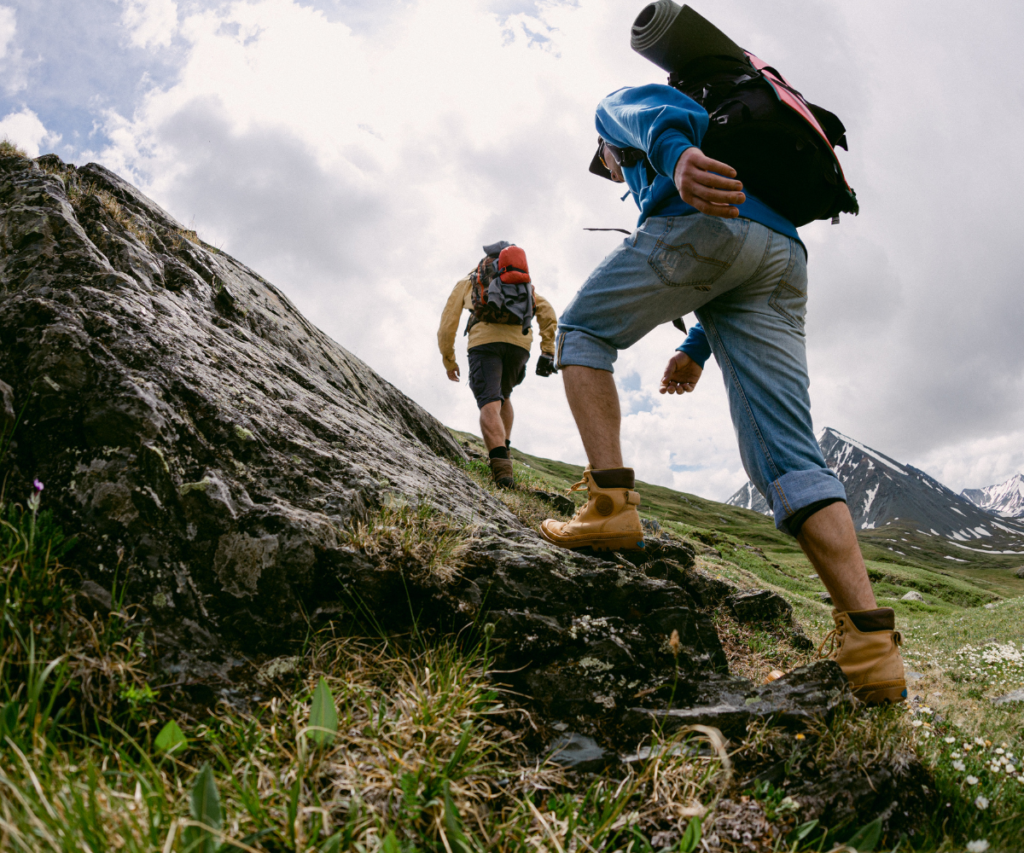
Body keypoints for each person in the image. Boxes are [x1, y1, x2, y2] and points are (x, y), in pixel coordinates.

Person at [538, 84, 906, 704]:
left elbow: (653, 112)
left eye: (604, 164)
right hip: (783, 254)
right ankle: (871, 652)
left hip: (703, 225)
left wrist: (677, 159)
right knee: (790, 457)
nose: (608, 170)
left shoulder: (616, 114)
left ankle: (608, 509)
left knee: (581, 333)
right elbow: (736, 267)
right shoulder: (748, 163)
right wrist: (695, 348)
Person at [438, 242, 559, 488]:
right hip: (519, 346)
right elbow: (548, 313)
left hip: (485, 344)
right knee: (504, 396)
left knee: (489, 402)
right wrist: (547, 350)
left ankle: (502, 471)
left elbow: (447, 324)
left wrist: (449, 359)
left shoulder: (471, 282)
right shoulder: (524, 285)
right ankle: (505, 451)